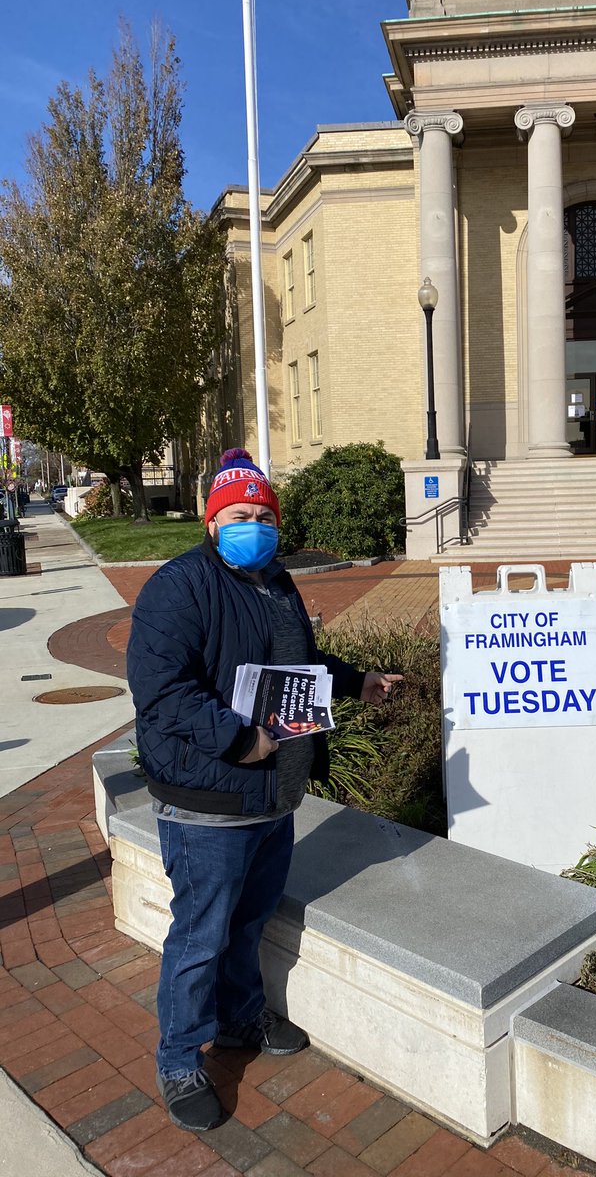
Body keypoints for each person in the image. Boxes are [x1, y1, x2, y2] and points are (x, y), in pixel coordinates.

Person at [127, 448, 402, 1133]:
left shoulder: (277, 581)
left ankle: (241, 1019)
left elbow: (298, 666)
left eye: (262, 514)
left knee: (248, 924)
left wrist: (353, 680)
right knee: (200, 936)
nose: (253, 524)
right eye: (238, 514)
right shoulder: (179, 587)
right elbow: (162, 694)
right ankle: (180, 1057)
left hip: (273, 795)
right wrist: (239, 740)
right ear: (210, 520)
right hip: (206, 803)